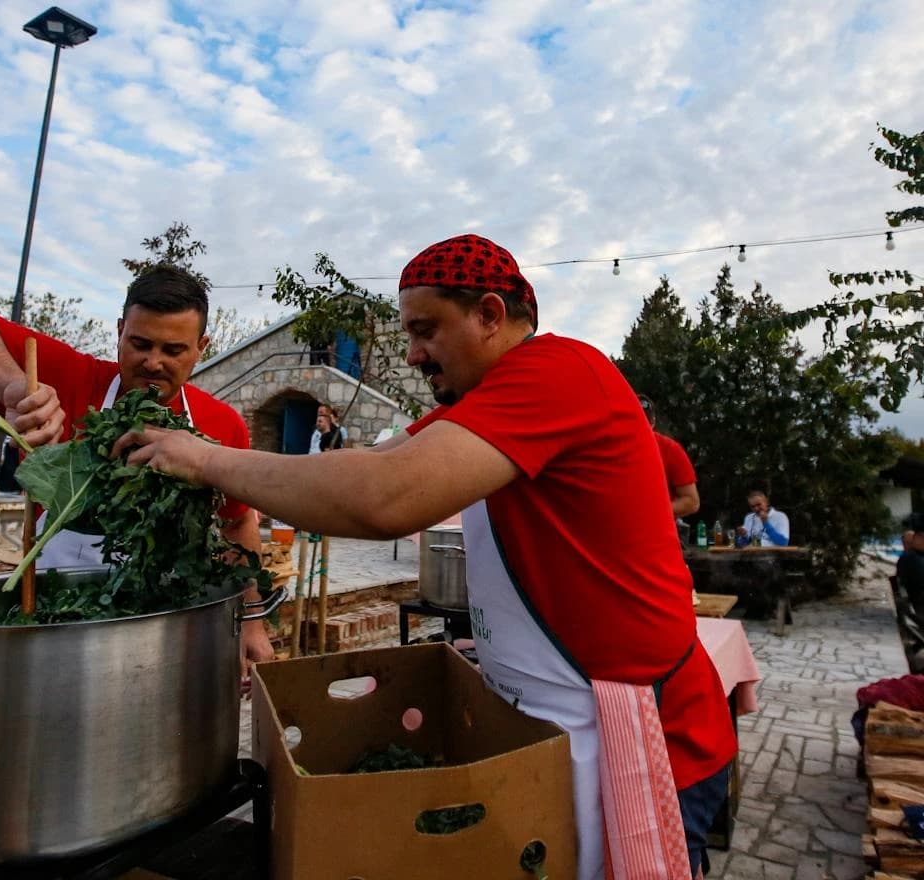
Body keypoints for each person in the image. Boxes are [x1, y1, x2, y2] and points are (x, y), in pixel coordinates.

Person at [117, 235, 735, 880]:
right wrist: (211, 465)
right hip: (559, 718)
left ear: (490, 315)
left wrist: (206, 458)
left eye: (424, 330)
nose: (411, 354)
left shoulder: (558, 372)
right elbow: (368, 467)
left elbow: (386, 499)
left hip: (642, 733)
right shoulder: (482, 404)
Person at [0, 265, 274, 673]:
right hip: (56, 624)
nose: (153, 362)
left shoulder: (220, 424)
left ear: (201, 347)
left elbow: (237, 525)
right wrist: (11, 385)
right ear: (120, 329)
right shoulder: (73, 380)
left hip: (170, 629)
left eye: (173, 350)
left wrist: (252, 622)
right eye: (139, 343)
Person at [638, 394, 700, 520]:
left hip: (657, 531)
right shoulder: (608, 447)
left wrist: (650, 511)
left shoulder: (670, 449)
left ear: (653, 422)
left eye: (645, 423)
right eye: (636, 423)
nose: (639, 430)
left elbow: (692, 502)